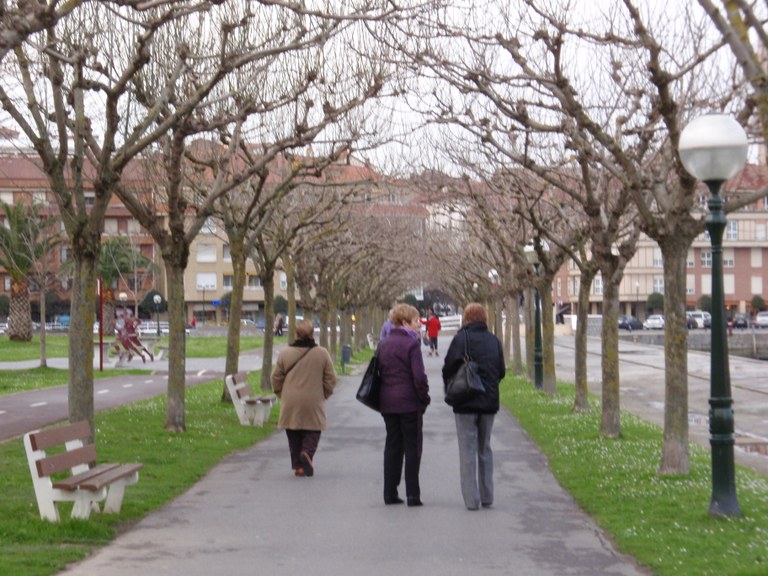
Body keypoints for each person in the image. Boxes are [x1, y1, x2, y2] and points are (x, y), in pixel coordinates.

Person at [441, 303, 505, 510]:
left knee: (467, 450)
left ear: (466, 318)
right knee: (485, 448)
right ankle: (488, 495)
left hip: (465, 401)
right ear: (485, 318)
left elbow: (448, 367)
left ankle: (471, 499)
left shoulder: (461, 339)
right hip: (489, 402)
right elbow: (501, 371)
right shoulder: (494, 340)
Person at [377, 303, 430, 506]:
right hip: (409, 403)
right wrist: (424, 398)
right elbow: (419, 376)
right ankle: (413, 494)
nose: (419, 324)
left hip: (388, 402)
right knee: (412, 447)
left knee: (392, 445)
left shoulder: (384, 344)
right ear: (405, 322)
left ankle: (389, 492)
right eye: (416, 321)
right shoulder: (411, 344)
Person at [271, 319, 336, 477]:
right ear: (313, 333)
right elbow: (331, 379)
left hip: (290, 399)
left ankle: (299, 466)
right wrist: (324, 394)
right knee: (313, 429)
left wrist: (282, 394)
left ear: (296, 334)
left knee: (293, 431)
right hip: (313, 398)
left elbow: (276, 378)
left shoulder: (285, 354)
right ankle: (307, 453)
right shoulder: (322, 353)